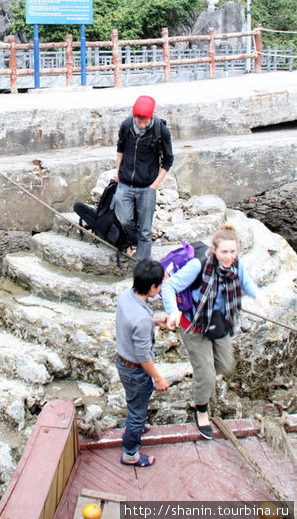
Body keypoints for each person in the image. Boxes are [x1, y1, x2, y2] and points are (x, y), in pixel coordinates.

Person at [162, 223, 269, 440]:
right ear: (214, 250)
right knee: (207, 374)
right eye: (224, 252)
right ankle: (201, 410)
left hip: (219, 321)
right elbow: (169, 286)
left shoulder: (235, 264)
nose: (228, 257)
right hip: (193, 324)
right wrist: (172, 312)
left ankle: (204, 372)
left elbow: (245, 280)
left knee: (225, 365)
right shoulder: (197, 265)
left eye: (232, 252)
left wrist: (258, 295)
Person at [116, 258, 170, 467]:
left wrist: (155, 322)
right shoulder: (142, 320)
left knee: (134, 401)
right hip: (136, 369)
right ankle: (130, 453)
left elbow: (134, 324)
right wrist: (157, 377)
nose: (160, 287)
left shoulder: (125, 297)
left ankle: (135, 425)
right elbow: (143, 355)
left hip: (122, 362)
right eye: (160, 285)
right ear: (152, 287)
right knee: (138, 411)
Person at [114, 95, 174, 261]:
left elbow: (168, 160)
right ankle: (136, 241)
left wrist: (155, 185)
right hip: (125, 182)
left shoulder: (160, 130)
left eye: (144, 121)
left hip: (147, 185)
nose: (141, 124)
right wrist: (118, 170)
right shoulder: (126, 125)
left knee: (146, 230)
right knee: (124, 220)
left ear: (151, 116)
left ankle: (143, 267)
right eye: (138, 120)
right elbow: (120, 148)